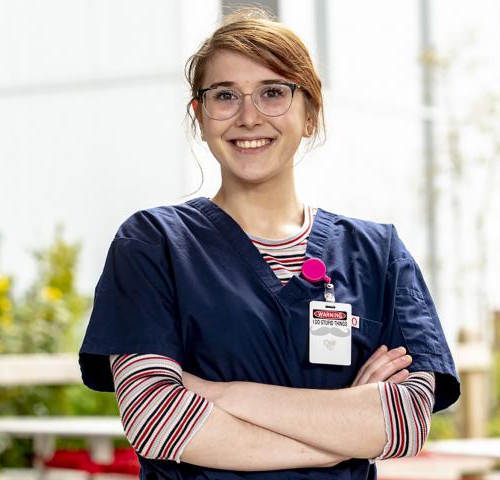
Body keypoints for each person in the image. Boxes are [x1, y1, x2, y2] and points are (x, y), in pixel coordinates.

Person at [78, 7, 460, 479]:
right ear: (200, 117)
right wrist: (343, 430)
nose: (248, 117)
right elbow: (158, 421)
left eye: (273, 93)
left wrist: (222, 395)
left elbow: (404, 424)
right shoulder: (154, 244)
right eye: (224, 96)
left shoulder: (377, 254)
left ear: (310, 115)